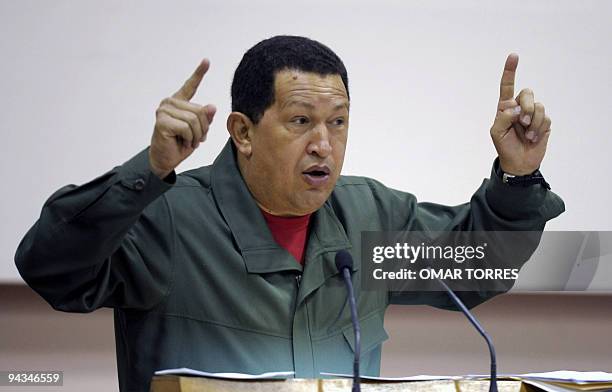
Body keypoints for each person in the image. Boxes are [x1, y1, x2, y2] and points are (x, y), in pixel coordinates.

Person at [15, 35, 564, 391]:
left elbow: (473, 268)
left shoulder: (366, 217)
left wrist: (516, 178)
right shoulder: (169, 220)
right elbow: (51, 271)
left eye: (339, 122)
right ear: (243, 132)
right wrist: (149, 170)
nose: (325, 144)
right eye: (301, 121)